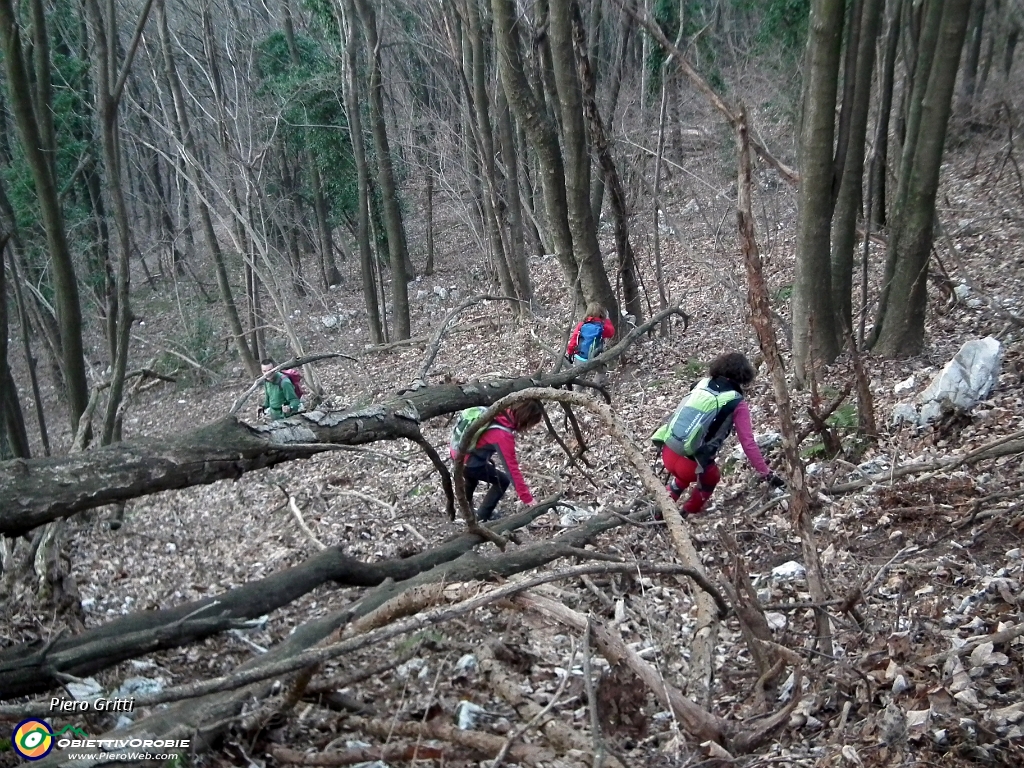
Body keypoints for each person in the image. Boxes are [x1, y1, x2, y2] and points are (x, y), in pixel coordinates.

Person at [659, 352, 783, 515]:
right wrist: (765, 473)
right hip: (690, 465)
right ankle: (687, 512)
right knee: (711, 477)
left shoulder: (701, 384)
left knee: (683, 475)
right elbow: (748, 443)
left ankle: (659, 512)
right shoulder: (737, 403)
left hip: (668, 451)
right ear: (744, 376)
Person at [451, 400, 544, 522]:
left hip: (457, 453)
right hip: (470, 462)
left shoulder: (500, 412)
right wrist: (527, 498)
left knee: (471, 480)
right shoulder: (502, 435)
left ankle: (466, 511)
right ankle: (482, 516)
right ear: (526, 420)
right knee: (502, 481)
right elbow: (512, 469)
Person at [566, 302, 615, 386]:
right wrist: (607, 320)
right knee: (602, 371)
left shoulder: (582, 325)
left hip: (580, 357)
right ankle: (594, 389)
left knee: (581, 377)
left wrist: (570, 352)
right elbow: (611, 333)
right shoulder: (602, 326)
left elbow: (574, 340)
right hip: (594, 357)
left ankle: (576, 395)